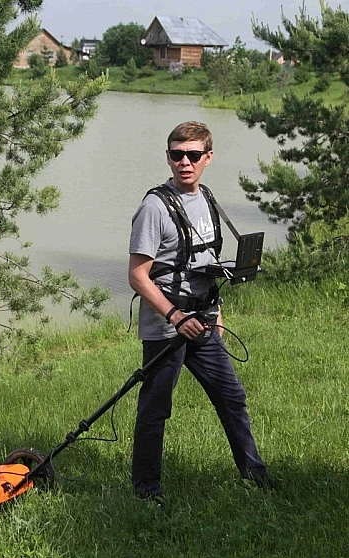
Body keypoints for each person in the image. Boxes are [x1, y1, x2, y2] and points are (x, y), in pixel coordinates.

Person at [128, 121, 275, 504]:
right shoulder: (154, 208)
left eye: (193, 155)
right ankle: (146, 491)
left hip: (205, 320)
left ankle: (256, 476)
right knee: (156, 409)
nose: (185, 162)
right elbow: (138, 276)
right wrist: (175, 316)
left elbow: (205, 262)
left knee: (231, 397)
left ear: (208, 158)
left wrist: (217, 311)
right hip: (167, 326)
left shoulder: (206, 198)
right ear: (168, 157)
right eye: (177, 155)